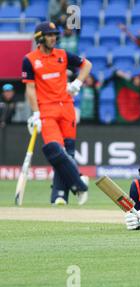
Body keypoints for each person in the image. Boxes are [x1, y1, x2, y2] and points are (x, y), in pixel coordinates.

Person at [22, 22, 91, 205]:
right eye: (49, 34)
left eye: (54, 34)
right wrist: (36, 113)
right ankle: (79, 183)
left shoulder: (62, 55)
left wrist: (77, 83)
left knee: (68, 153)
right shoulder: (30, 59)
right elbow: (30, 89)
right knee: (55, 150)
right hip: (46, 110)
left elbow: (86, 65)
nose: (53, 37)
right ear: (40, 37)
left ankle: (59, 195)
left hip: (67, 108)